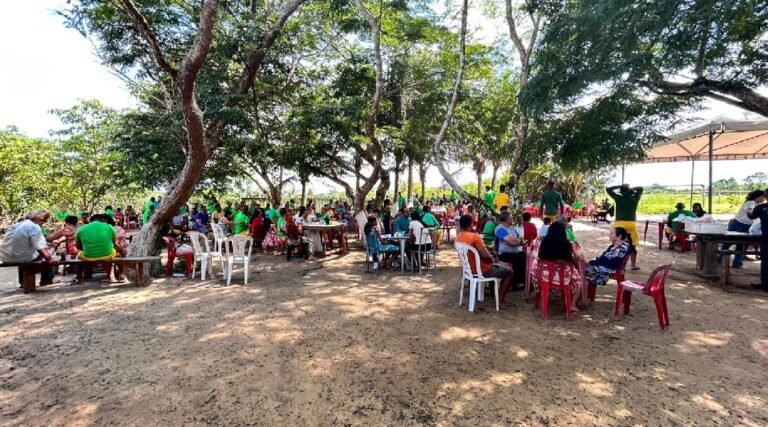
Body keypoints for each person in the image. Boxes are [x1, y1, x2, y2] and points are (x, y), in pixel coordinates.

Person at [455, 214, 515, 306]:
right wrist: (493, 261)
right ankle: (501, 299)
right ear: (470, 225)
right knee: (509, 271)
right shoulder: (475, 237)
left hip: (468, 270)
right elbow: (486, 256)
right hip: (481, 270)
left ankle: (493, 292)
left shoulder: (458, 237)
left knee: (495, 266)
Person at [0, 211, 60, 286]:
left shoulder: (16, 225)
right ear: (37, 218)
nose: (44, 222)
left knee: (23, 253)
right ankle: (47, 279)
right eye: (44, 220)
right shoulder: (34, 226)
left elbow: (27, 242)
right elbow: (39, 246)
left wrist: (49, 244)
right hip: (22, 257)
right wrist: (50, 259)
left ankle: (23, 282)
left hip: (6, 257)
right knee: (47, 253)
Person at [535, 222, 583, 313]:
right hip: (564, 278)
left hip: (545, 277)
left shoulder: (544, 242)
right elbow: (574, 260)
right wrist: (578, 257)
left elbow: (539, 257)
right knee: (578, 281)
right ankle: (572, 305)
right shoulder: (567, 244)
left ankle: (542, 301)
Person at [75, 214, 124, 283]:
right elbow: (114, 243)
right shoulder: (109, 227)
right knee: (117, 254)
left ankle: (79, 276)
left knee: (78, 255)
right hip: (108, 254)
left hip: (88, 256)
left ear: (91, 221)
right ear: (104, 220)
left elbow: (78, 247)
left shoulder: (81, 229)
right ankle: (122, 273)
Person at [722, 190, 765, 268]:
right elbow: (750, 210)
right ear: (758, 197)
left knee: (739, 244)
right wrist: (756, 214)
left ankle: (736, 263)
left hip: (745, 226)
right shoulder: (750, 203)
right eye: (763, 197)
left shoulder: (757, 205)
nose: (764, 199)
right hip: (738, 224)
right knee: (729, 243)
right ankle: (725, 260)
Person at [606, 183, 643, 270]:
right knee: (632, 246)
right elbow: (640, 188)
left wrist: (621, 186)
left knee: (616, 245)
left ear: (621, 192)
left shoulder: (619, 198)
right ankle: (633, 265)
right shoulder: (635, 198)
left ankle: (616, 264)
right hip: (631, 223)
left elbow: (608, 189)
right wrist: (630, 189)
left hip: (619, 224)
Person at [495, 212, 526, 291]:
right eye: (511, 218)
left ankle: (522, 281)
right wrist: (517, 242)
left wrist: (516, 241)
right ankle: (516, 283)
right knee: (518, 260)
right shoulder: (500, 229)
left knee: (525, 257)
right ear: (507, 220)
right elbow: (512, 242)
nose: (512, 219)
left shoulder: (513, 229)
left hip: (514, 252)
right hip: (503, 254)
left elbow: (521, 239)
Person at [747, 201, 768, 291]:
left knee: (766, 261)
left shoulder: (761, 208)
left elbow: (752, 216)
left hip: (766, 238)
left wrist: (748, 211)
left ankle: (765, 284)